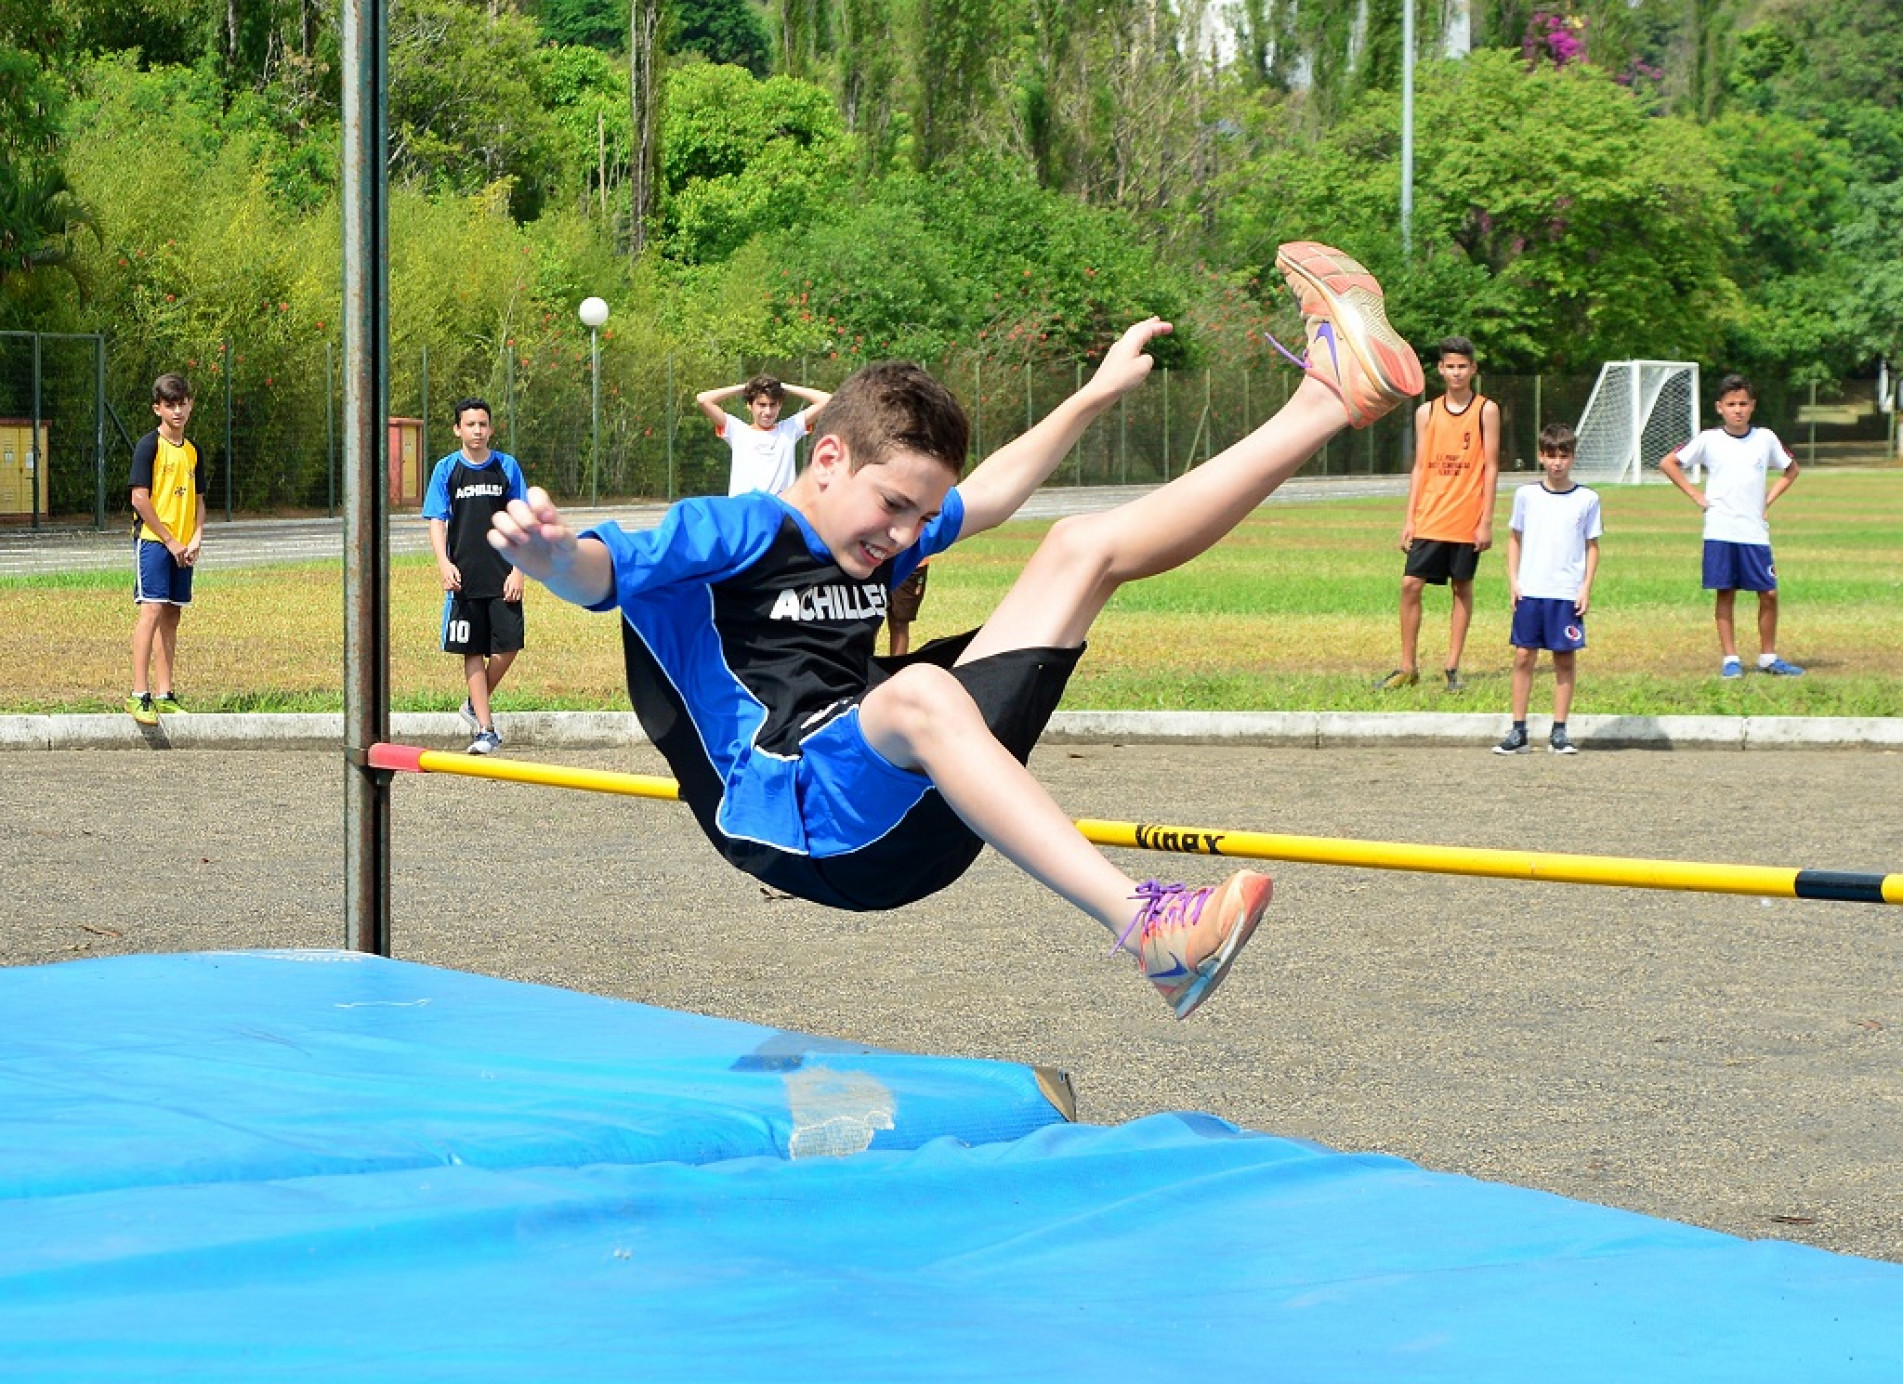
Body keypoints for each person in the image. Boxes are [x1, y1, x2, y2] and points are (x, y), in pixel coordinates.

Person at [490, 241, 1422, 1021]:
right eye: (892, 506)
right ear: (827, 457)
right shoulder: (739, 531)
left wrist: (1092, 395)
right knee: (921, 690)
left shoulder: (875, 539)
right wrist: (546, 558)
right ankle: (1148, 930)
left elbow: (1000, 492)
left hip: (902, 815)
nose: (902, 537)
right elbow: (603, 572)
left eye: (916, 517)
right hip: (795, 820)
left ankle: (1328, 402)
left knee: (1076, 547)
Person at [1376, 336, 1500, 693]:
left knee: (1462, 588)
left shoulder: (1485, 411)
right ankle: (1407, 666)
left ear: (1472, 369)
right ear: (1441, 370)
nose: (1457, 372)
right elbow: (1418, 466)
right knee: (1410, 585)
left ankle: (1452, 667)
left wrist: (1486, 520)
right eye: (1451, 366)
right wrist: (1410, 518)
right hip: (1431, 514)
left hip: (1466, 516)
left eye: (1463, 366)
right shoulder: (1426, 412)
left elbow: (1490, 467)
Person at [1658, 375, 1803, 679]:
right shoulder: (1709, 439)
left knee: (1769, 592)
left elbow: (1791, 469)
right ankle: (1731, 659)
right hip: (1720, 530)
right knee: (1725, 593)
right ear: (1720, 407)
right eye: (1731, 404)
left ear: (1752, 406)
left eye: (1743, 404)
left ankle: (1768, 657)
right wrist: (1695, 494)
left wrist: (1768, 500)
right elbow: (1669, 462)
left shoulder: (1765, 438)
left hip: (1754, 532)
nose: (1738, 409)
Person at [424, 398, 530, 754]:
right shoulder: (446, 469)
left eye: (483, 424)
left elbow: (523, 523)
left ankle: (474, 703)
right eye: (470, 424)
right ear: (458, 429)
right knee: (472, 649)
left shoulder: (507, 467)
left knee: (509, 645)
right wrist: (443, 563)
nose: (477, 431)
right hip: (464, 578)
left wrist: (519, 570)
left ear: (491, 428)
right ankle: (485, 729)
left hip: (503, 575)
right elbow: (437, 520)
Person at [1494, 423, 1601, 756]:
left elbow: (1592, 545)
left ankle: (1559, 730)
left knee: (1564, 659)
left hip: (1566, 591)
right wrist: (1514, 580)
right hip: (1532, 589)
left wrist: (1585, 587)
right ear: (1541, 456)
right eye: (1551, 455)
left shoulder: (1587, 499)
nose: (1557, 463)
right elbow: (1514, 538)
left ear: (1572, 457)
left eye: (1564, 456)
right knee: (1524, 655)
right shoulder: (1527, 496)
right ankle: (1518, 730)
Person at [127, 373, 205, 726]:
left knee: (173, 616)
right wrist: (170, 539)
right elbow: (139, 499)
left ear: (190, 404)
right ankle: (139, 694)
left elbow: (200, 501)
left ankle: (164, 693)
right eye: (170, 405)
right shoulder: (149, 446)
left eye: (182, 403)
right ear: (157, 408)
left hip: (182, 548)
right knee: (152, 610)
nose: (177, 411)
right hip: (155, 543)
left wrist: (195, 537)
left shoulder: (193, 451)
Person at [697, 375, 833, 497]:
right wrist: (746, 387)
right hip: (745, 511)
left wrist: (783, 386)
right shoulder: (737, 430)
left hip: (779, 511)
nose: (767, 412)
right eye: (761, 405)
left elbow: (827, 400)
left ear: (779, 406)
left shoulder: (789, 429)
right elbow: (703, 399)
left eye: (773, 405)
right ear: (750, 406)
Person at [886, 559, 930, 657]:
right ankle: (864, 667)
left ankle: (895, 668)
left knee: (900, 622)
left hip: (912, 563)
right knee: (872, 618)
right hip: (877, 562)